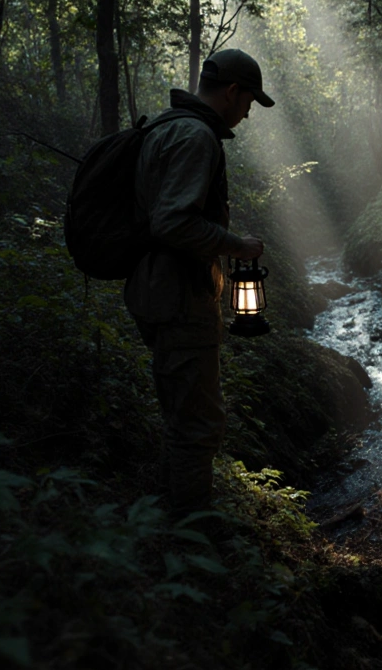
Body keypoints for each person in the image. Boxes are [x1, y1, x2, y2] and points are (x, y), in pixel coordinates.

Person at [124, 48, 274, 515]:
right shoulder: (196, 137)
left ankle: (170, 521)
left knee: (181, 417)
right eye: (249, 102)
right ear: (232, 91)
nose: (249, 113)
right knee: (198, 424)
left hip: (156, 291)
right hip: (179, 299)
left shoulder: (166, 127)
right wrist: (236, 245)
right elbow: (172, 222)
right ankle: (190, 544)